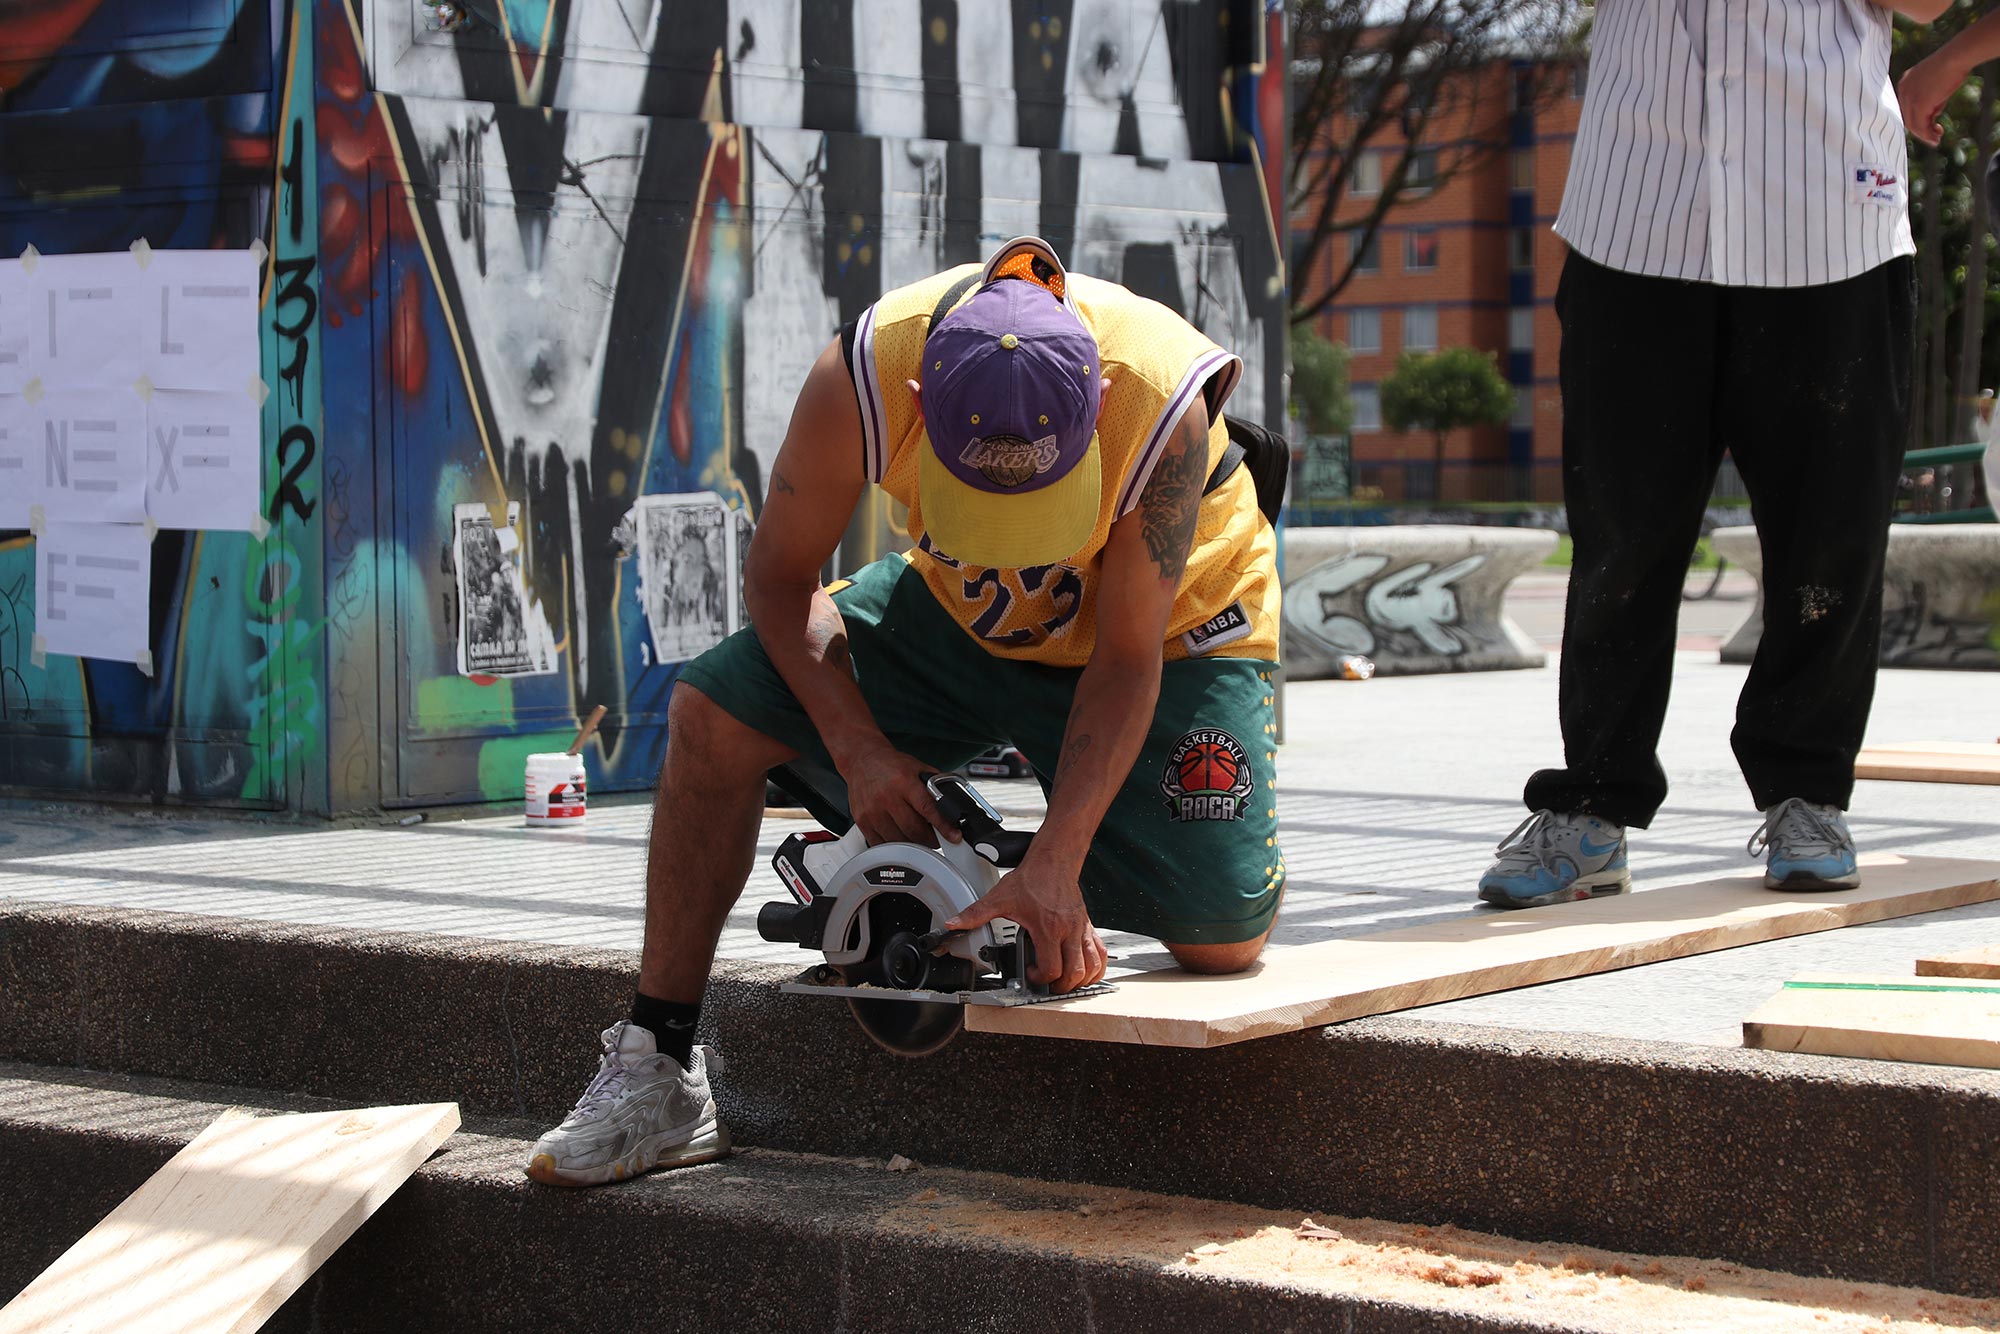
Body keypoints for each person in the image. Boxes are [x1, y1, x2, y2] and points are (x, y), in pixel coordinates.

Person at [526, 237, 1285, 1186]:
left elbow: (1126, 661)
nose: (1016, 541)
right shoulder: (864, 376)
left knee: (1220, 939)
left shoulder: (1158, 395)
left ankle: (1080, 861)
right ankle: (659, 1067)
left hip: (1168, 624)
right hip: (961, 612)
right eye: (988, 505)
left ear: (1095, 404)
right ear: (923, 405)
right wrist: (859, 750)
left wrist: (1057, 859)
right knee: (710, 717)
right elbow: (778, 580)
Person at [1478, 0, 1946, 910]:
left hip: (1829, 213)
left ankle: (1808, 794)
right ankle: (1594, 802)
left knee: (1829, 543)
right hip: (1639, 211)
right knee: (1620, 539)